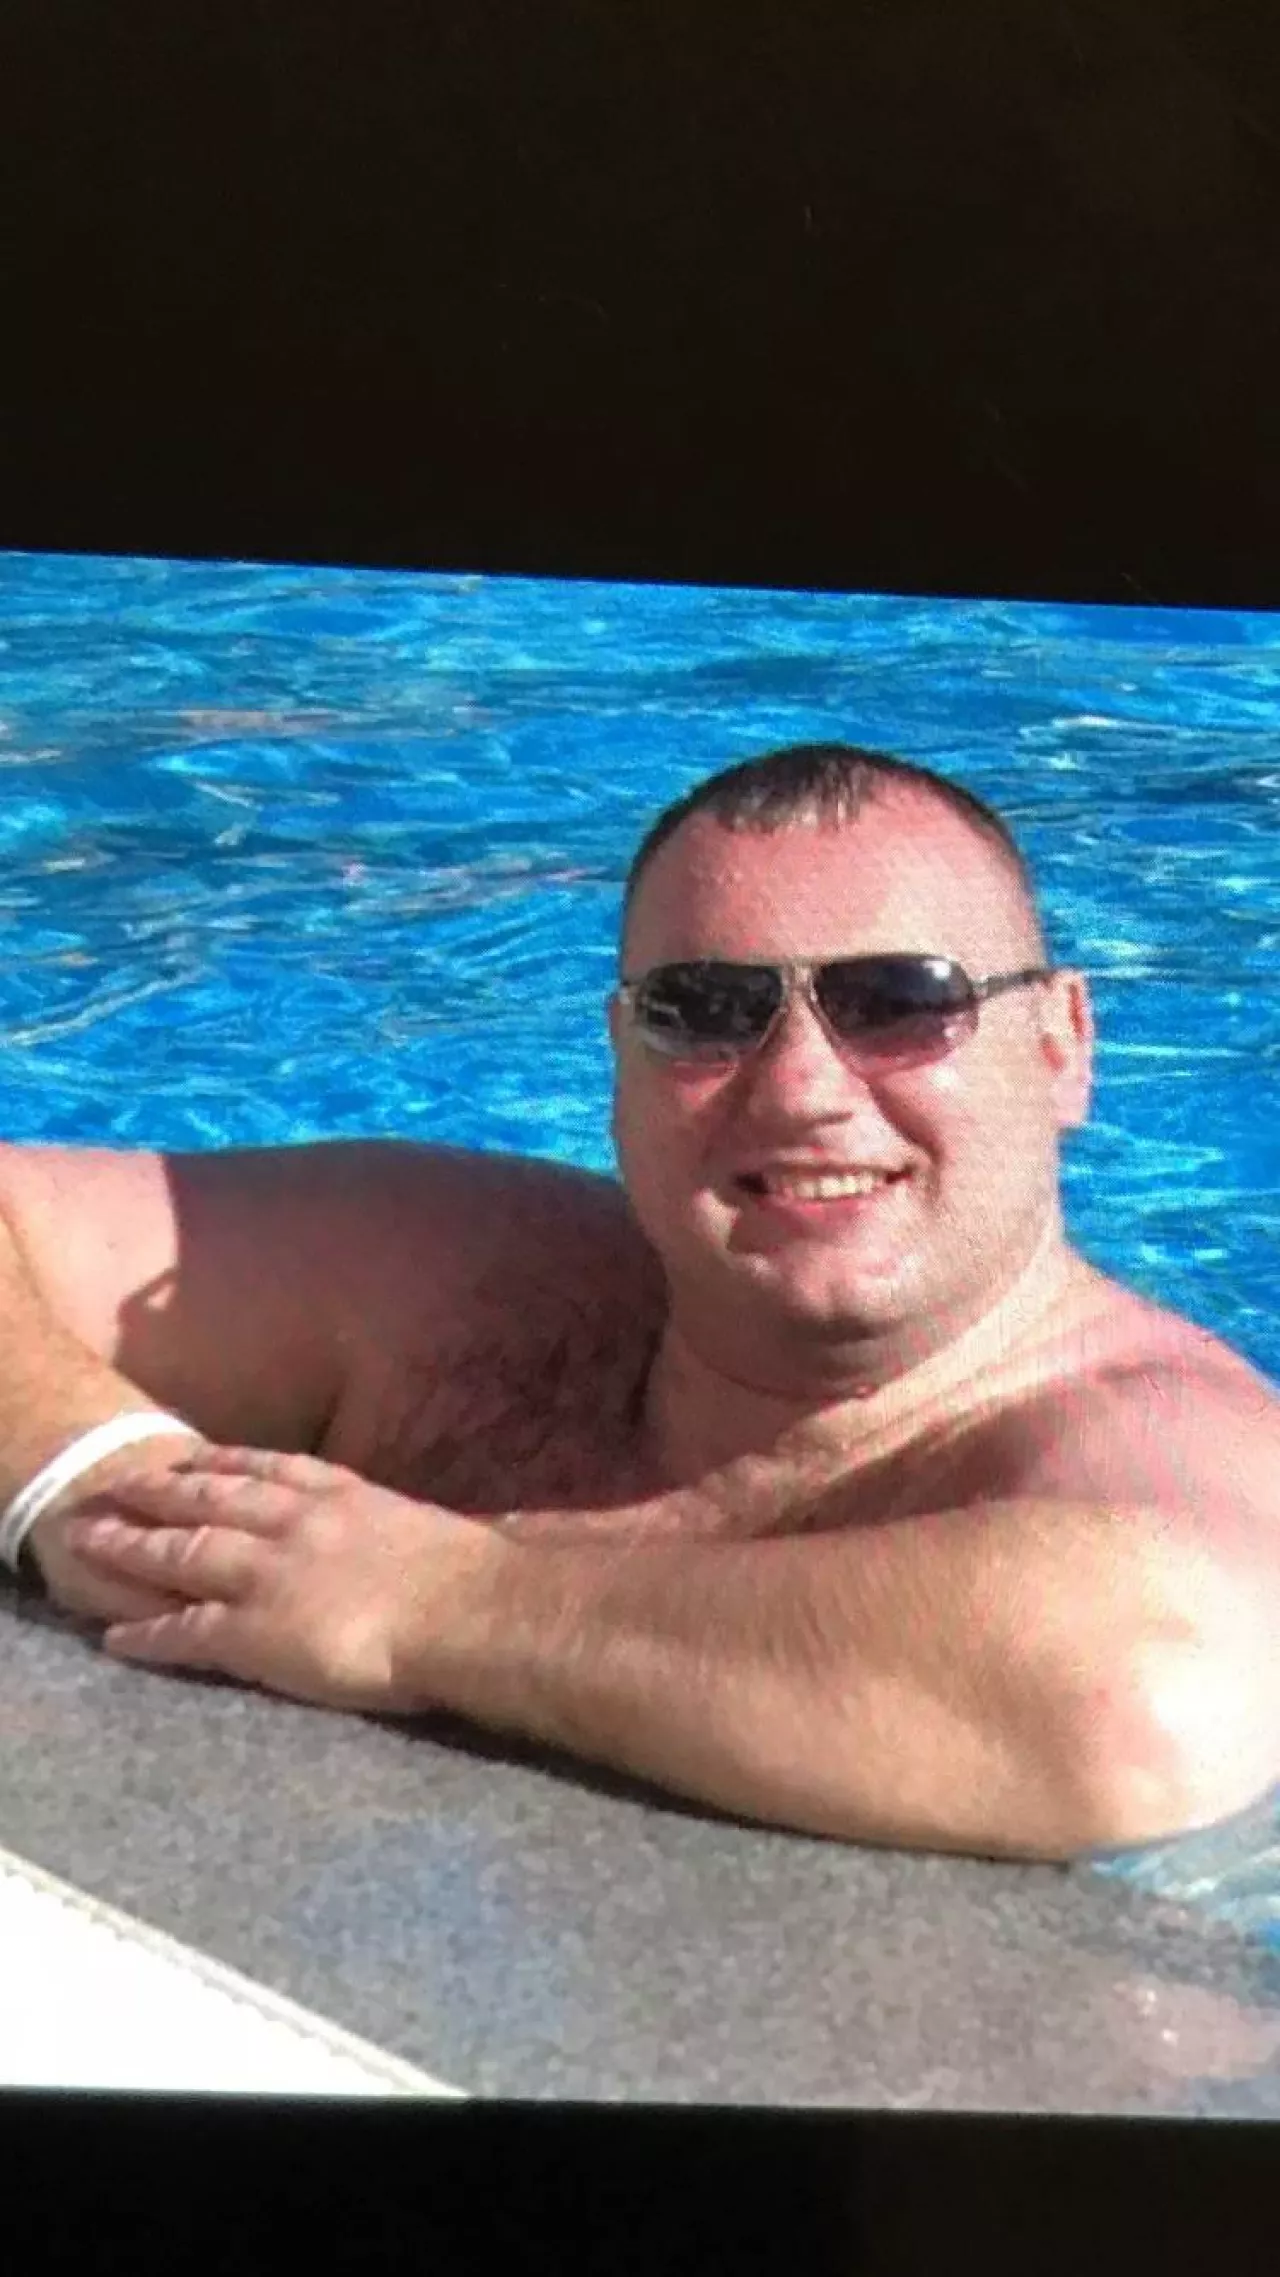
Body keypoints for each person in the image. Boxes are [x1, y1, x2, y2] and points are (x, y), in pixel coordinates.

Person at [1, 743, 1276, 1863]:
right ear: (617, 1055)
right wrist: (88, 1472)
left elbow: (1142, 1702)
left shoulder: (1156, 1430)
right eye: (705, 1012)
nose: (800, 1089)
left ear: (1060, 1046)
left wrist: (443, 1605)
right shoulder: (471, 1278)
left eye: (899, 1002)